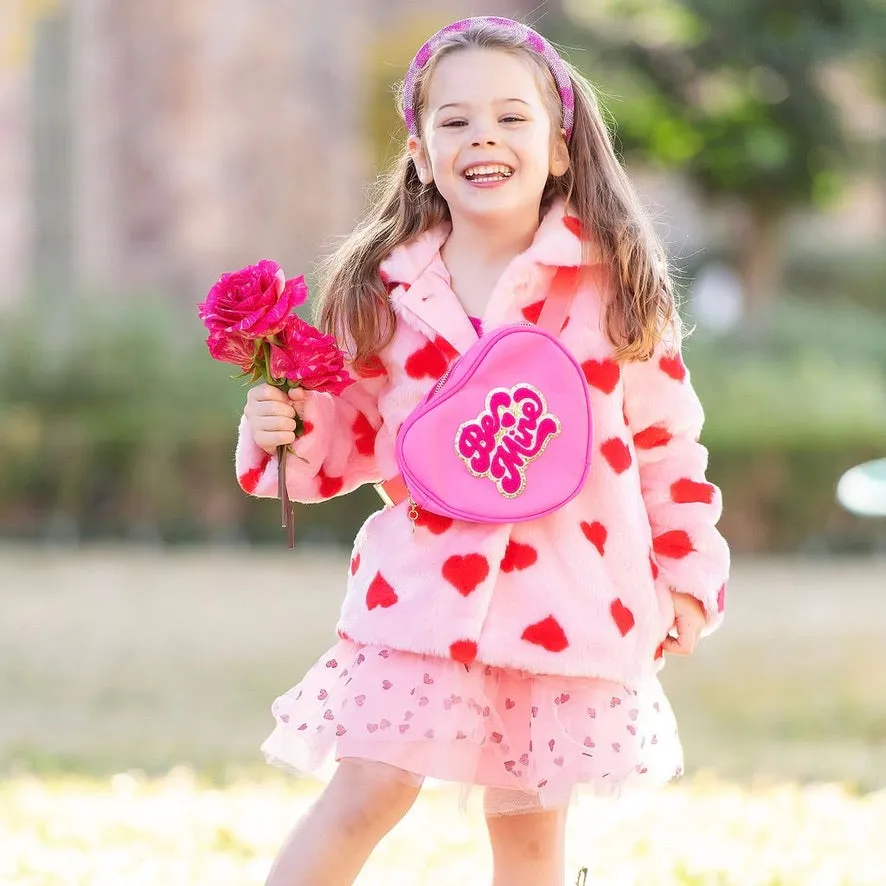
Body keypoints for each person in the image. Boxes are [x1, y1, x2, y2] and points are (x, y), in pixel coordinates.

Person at [236, 16, 730, 886]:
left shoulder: (610, 288)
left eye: (511, 118)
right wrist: (281, 430)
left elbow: (664, 443)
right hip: (420, 598)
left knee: (532, 834)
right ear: (421, 155)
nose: (483, 138)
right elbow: (345, 440)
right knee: (368, 789)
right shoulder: (384, 293)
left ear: (562, 148)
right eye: (455, 122)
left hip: (570, 599)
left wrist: (685, 569)